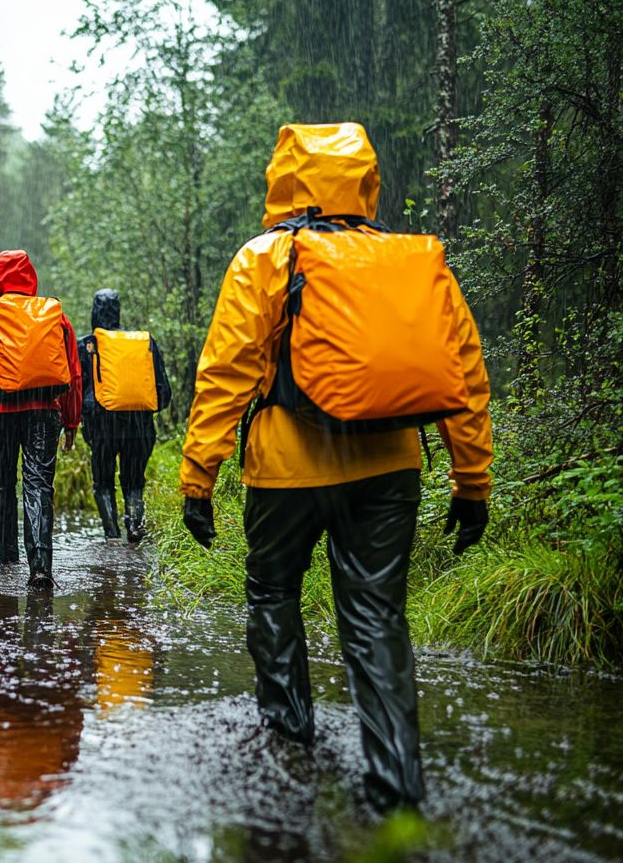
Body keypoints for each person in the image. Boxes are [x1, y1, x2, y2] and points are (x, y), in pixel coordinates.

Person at [179, 123, 493, 811]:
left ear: (286, 180)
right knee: (378, 618)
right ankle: (396, 784)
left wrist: (199, 474)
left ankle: (289, 744)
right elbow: (465, 371)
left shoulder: (266, 255)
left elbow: (227, 371)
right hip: (389, 473)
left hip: (287, 471)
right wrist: (472, 481)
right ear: (366, 182)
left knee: (272, 594)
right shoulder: (416, 261)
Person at [0, 250, 82, 588]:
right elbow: (72, 372)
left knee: (4, 484)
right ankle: (40, 565)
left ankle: (8, 557)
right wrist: (71, 420)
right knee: (39, 484)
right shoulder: (54, 314)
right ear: (31, 277)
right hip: (43, 410)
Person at [77, 288, 172, 542]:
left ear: (94, 311)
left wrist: (79, 420)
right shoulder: (144, 343)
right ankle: (135, 528)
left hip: (102, 428)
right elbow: (163, 392)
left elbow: (78, 391)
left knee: (103, 483)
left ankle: (112, 537)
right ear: (118, 310)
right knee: (134, 482)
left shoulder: (87, 345)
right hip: (139, 427)